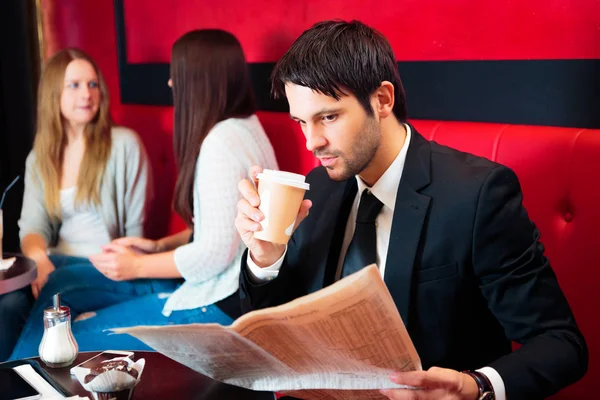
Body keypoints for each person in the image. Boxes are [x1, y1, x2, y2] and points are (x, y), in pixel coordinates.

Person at [235, 20, 587, 400]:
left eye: (329, 117)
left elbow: (561, 344)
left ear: (383, 100)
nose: (312, 142)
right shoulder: (316, 188)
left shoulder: (478, 194)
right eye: (301, 122)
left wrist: (476, 387)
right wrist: (265, 259)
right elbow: (276, 325)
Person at [10, 29, 278, 358]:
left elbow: (210, 256)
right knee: (53, 288)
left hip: (216, 301)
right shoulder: (247, 127)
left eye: (175, 75)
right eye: (75, 85)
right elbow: (224, 231)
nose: (170, 84)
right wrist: (158, 245)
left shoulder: (219, 143)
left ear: (197, 79)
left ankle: (19, 378)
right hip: (226, 292)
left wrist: (137, 265)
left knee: (62, 337)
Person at [1, 48, 152, 361]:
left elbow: (136, 233)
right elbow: (32, 227)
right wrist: (40, 259)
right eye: (75, 85)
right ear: (54, 93)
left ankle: (21, 376)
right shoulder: (40, 157)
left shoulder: (124, 145)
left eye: (93, 84)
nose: (87, 93)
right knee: (9, 301)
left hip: (107, 265)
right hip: (58, 262)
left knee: (57, 287)